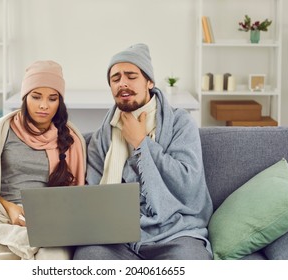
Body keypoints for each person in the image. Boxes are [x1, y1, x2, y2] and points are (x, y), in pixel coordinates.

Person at [73, 43, 213, 260]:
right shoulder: (104, 133)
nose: (123, 83)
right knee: (87, 259)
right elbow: (94, 191)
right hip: (116, 237)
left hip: (174, 233)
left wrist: (141, 143)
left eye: (131, 76)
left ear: (149, 81)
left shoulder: (180, 123)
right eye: (116, 78)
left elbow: (188, 183)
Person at [0, 60, 86, 260]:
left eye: (52, 98)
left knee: (54, 257)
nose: (43, 105)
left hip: (46, 219)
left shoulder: (70, 138)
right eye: (36, 97)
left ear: (60, 102)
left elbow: (74, 197)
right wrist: (8, 207)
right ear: (25, 97)